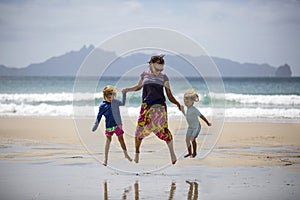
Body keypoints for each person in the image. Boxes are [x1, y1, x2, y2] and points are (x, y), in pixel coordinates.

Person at [122, 55, 183, 165]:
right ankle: (137, 154)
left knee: (163, 132)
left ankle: (172, 153)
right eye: (157, 68)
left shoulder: (164, 77)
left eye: (161, 68)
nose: (159, 70)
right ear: (151, 64)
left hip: (160, 108)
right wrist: (128, 90)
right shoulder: (144, 74)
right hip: (146, 107)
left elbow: (169, 95)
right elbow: (138, 87)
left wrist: (177, 103)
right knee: (139, 132)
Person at [92, 85, 132, 166]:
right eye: (109, 97)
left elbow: (123, 103)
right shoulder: (102, 106)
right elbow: (99, 116)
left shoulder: (116, 102)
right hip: (109, 126)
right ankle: (105, 159)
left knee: (121, 140)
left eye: (112, 97)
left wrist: (124, 94)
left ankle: (126, 154)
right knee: (108, 142)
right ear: (105, 96)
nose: (111, 99)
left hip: (118, 125)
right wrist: (96, 124)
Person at [183, 89, 211, 158]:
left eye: (188, 101)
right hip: (190, 127)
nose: (186, 102)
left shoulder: (194, 109)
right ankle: (189, 152)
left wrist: (207, 122)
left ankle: (194, 153)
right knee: (187, 139)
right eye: (185, 101)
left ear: (192, 102)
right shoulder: (188, 109)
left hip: (196, 127)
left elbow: (201, 116)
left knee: (192, 139)